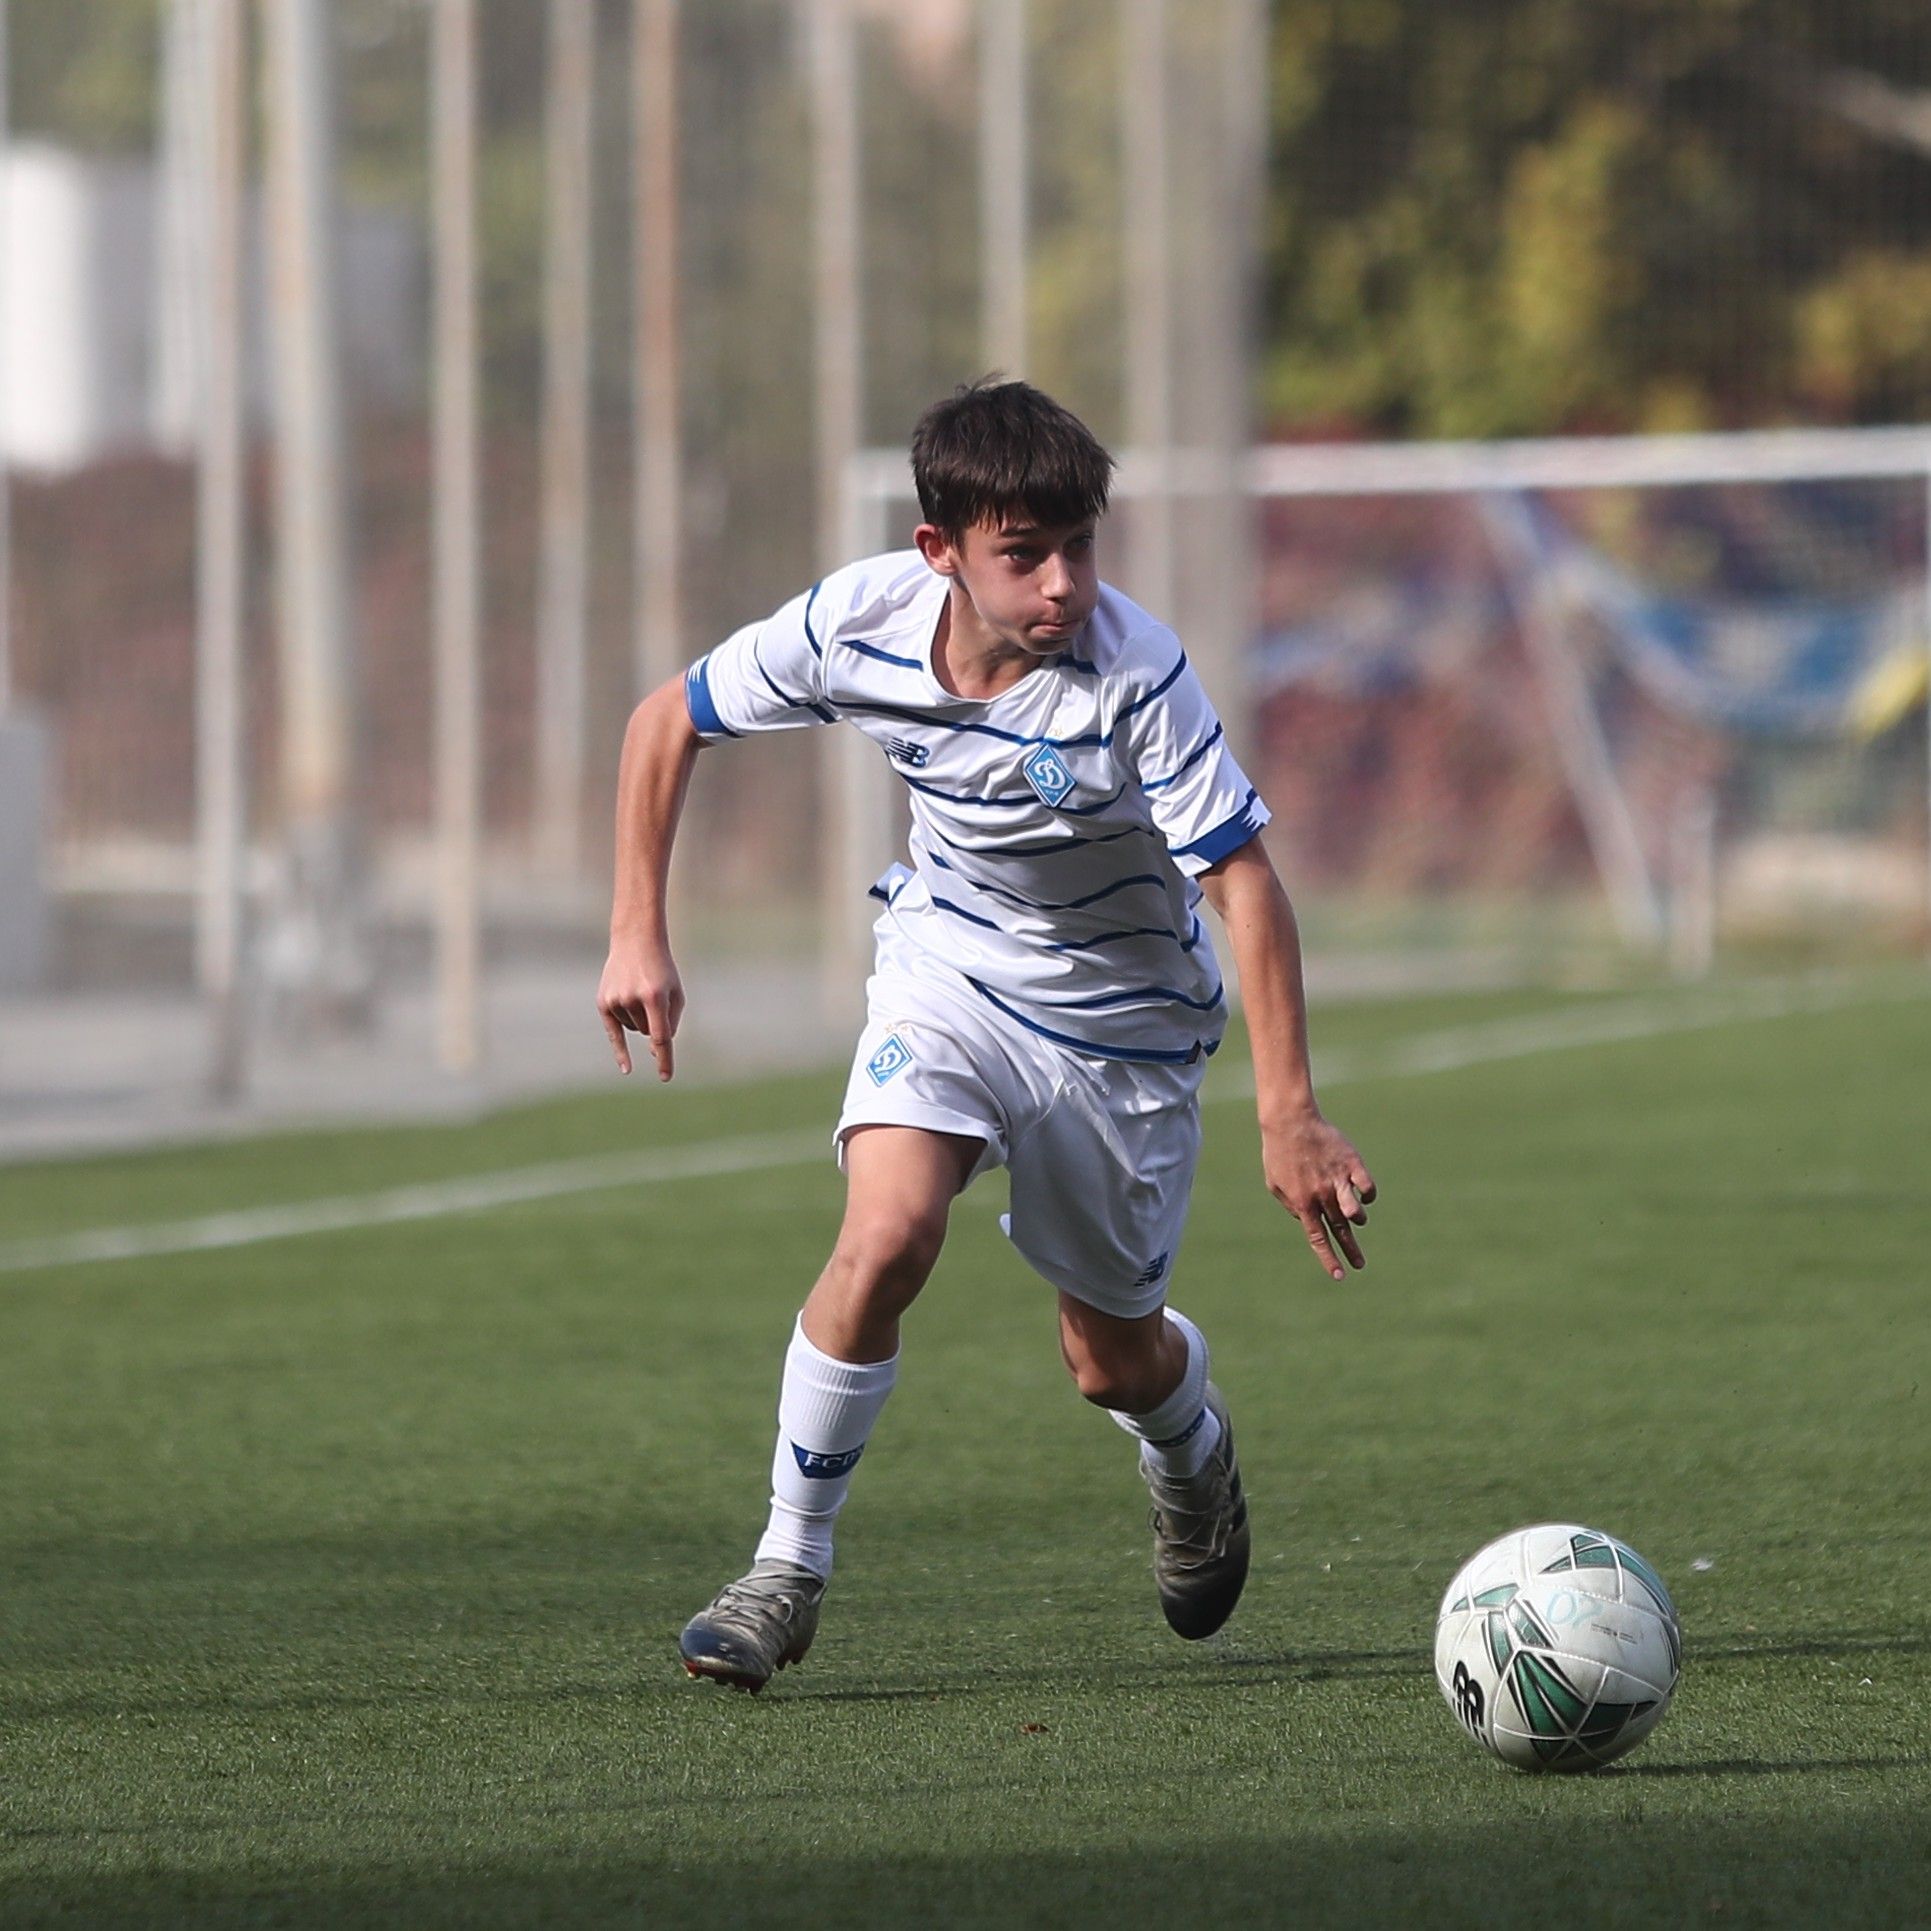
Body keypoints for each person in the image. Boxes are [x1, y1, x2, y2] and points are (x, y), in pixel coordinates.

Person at [598, 379, 1374, 1692]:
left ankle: (1190, 1454)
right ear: (939, 553)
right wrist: (635, 928)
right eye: (1025, 555)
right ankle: (786, 1568)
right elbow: (667, 718)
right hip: (949, 975)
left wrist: (1289, 1109)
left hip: (1123, 1035)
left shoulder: (1135, 675)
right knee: (887, 1231)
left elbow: (1244, 885)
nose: (1063, 583)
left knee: (1107, 1360)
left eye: (1079, 547)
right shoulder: (858, 623)